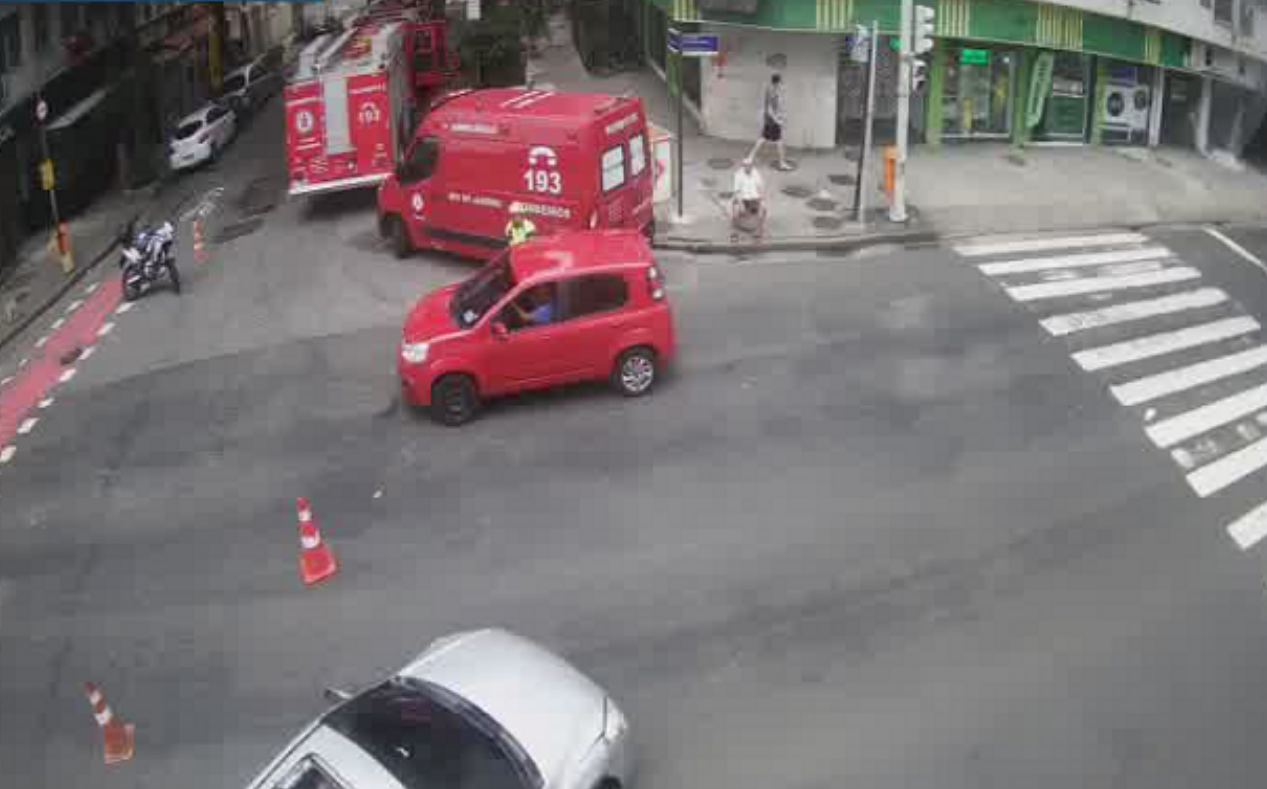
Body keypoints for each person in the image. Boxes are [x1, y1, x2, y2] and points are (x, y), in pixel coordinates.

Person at [749, 73, 792, 172]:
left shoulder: (772, 89)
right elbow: (769, 108)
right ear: (778, 82)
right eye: (781, 81)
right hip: (772, 121)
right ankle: (782, 163)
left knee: (763, 138)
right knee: (779, 141)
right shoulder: (772, 91)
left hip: (770, 120)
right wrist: (777, 120)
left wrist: (779, 116)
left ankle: (750, 157)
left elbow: (773, 107)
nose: (782, 83)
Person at [730, 157, 767, 241]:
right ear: (743, 166)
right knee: (736, 210)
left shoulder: (756, 173)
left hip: (754, 198)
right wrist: (740, 203)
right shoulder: (738, 174)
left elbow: (760, 188)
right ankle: (734, 232)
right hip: (743, 198)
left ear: (752, 166)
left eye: (750, 165)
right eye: (746, 165)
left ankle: (758, 231)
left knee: (763, 209)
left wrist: (762, 200)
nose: (748, 167)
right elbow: (737, 191)